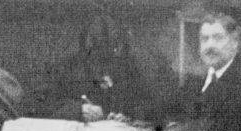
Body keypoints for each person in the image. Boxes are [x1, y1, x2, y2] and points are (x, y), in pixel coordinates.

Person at [41, 12, 172, 124]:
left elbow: (153, 105)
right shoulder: (67, 68)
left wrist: (130, 116)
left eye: (111, 49)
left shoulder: (127, 68)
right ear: (86, 45)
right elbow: (40, 104)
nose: (104, 57)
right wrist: (78, 110)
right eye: (96, 48)